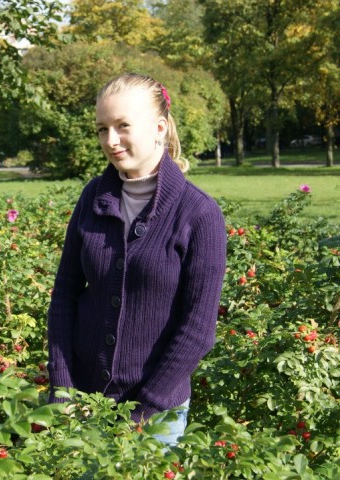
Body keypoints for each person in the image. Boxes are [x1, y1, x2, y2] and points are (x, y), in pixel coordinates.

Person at [47, 72, 227, 446]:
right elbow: (64, 295)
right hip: (83, 406)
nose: (110, 141)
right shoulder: (93, 198)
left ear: (159, 127)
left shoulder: (198, 214)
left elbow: (198, 331)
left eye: (123, 126)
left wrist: (144, 410)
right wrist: (62, 388)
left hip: (156, 416)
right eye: (102, 129)